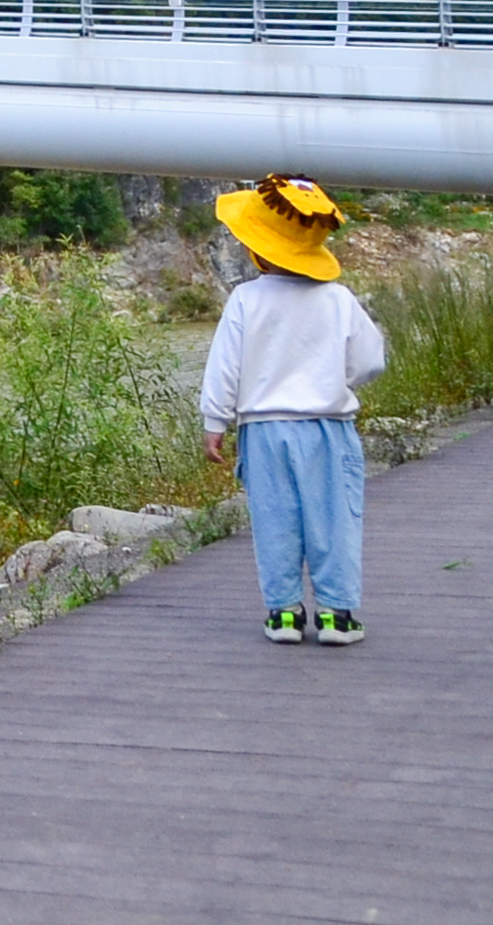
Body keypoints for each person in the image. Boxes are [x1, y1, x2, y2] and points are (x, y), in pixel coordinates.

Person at [199, 175, 387, 646]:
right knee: (334, 519)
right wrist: (336, 382)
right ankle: (336, 615)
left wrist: (215, 422)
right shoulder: (338, 299)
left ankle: (283, 612)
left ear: (259, 251)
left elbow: (225, 366)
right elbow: (371, 360)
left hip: (265, 431)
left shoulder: (245, 300)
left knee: (274, 519)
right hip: (328, 427)